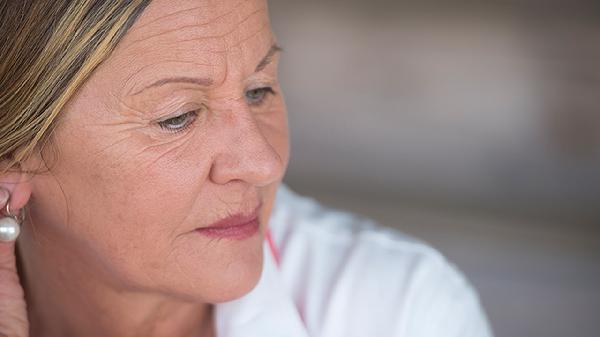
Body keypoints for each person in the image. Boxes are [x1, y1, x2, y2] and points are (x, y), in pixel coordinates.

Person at [0, 0, 493, 336]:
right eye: (179, 118)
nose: (264, 163)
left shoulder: (394, 310)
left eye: (259, 90)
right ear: (13, 155)